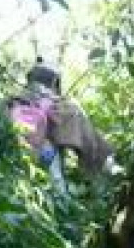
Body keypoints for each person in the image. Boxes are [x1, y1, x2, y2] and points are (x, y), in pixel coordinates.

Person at [7, 57, 115, 193]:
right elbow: (88, 139)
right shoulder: (62, 106)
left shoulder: (12, 102)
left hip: (12, 158)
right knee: (56, 184)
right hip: (44, 157)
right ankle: (61, 200)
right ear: (54, 82)